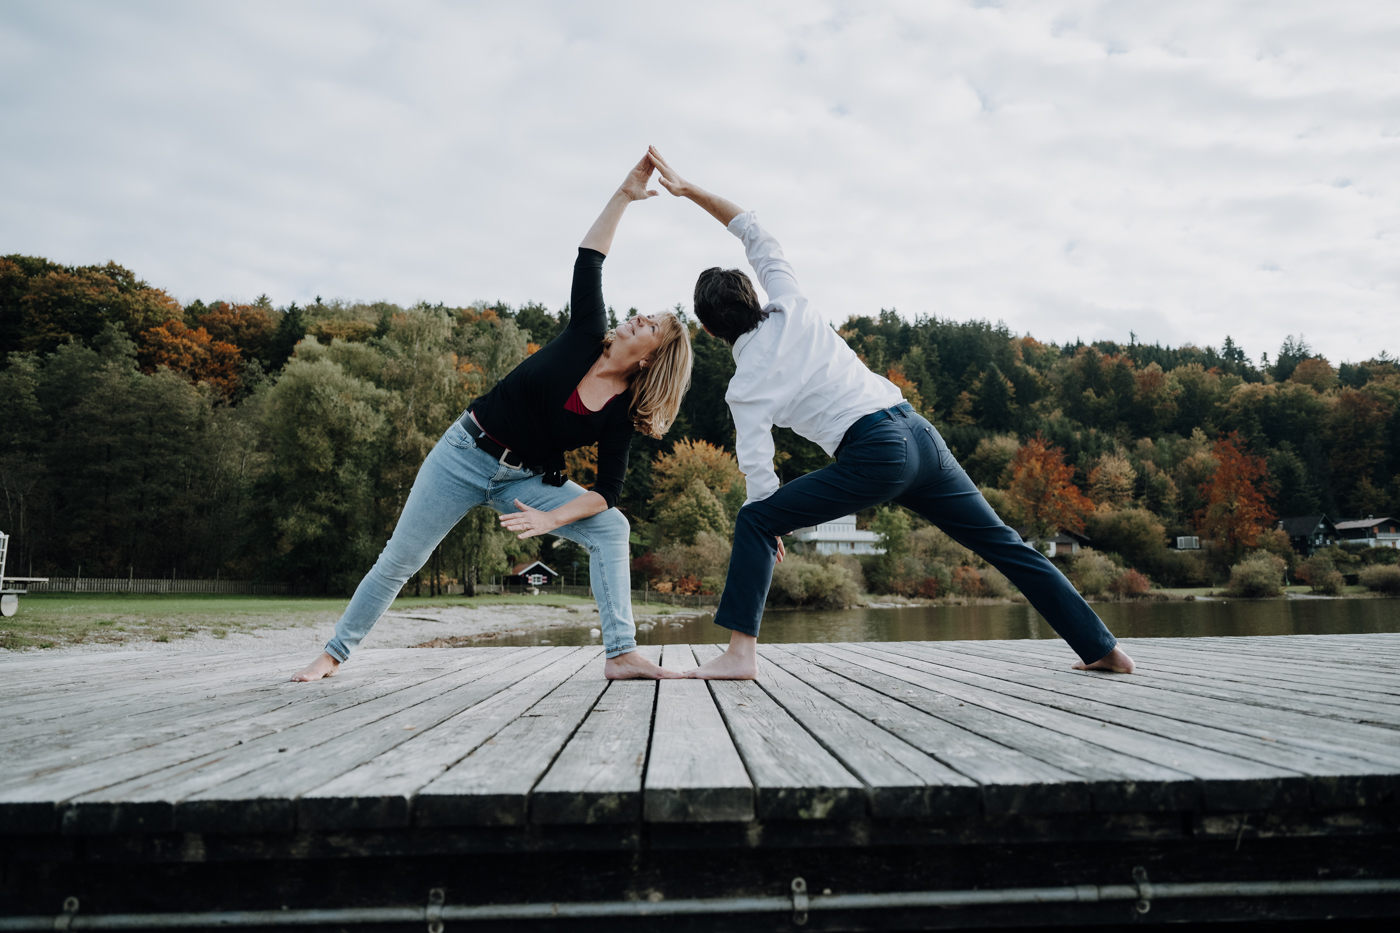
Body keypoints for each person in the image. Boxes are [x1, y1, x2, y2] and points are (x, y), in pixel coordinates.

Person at [645, 146, 1134, 681]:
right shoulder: (794, 304)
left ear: (713, 331)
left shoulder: (745, 387)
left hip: (875, 454)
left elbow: (759, 470)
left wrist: (768, 525)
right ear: (755, 297)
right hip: (920, 434)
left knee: (754, 517)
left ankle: (740, 656)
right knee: (1005, 544)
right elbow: (752, 229)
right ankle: (1104, 649)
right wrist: (689, 190)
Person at [292, 153, 692, 682]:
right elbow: (590, 257)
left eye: (652, 326)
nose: (640, 315)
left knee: (611, 528)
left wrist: (551, 519)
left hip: (523, 482)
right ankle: (333, 655)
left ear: (649, 358)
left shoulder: (621, 412)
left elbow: (607, 492)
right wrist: (623, 194)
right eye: (646, 313)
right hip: (463, 455)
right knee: (401, 561)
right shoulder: (584, 332)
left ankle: (620, 654)